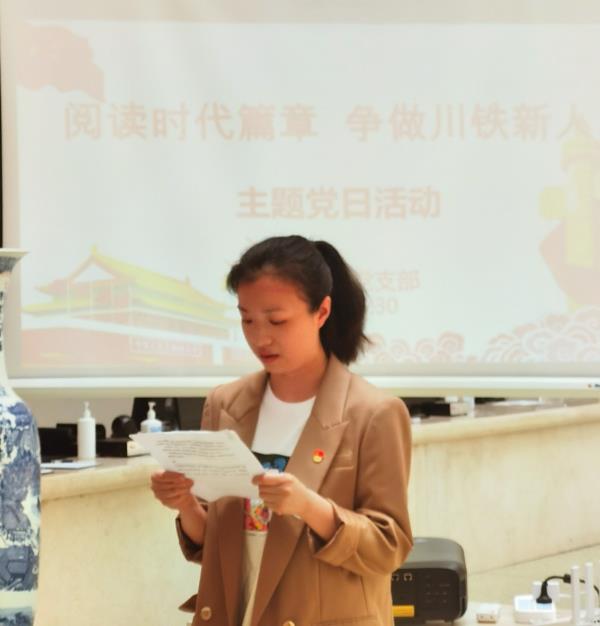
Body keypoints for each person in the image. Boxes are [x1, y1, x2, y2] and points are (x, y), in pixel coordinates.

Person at [151, 235, 413, 626]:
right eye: (247, 320)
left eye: (277, 321)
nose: (261, 337)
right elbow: (215, 543)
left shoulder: (374, 413)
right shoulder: (224, 404)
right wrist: (185, 503)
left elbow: (388, 547)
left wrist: (309, 506)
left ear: (321, 312)